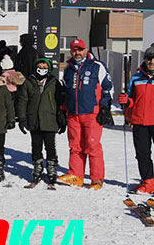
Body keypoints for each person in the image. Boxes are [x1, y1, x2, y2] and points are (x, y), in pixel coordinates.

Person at [58, 39, 112, 189]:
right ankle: (76, 175)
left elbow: (108, 86)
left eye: (80, 49)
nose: (77, 52)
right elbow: (65, 91)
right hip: (73, 113)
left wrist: (105, 107)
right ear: (71, 51)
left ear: (85, 49)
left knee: (92, 145)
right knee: (75, 145)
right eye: (74, 50)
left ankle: (96, 179)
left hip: (91, 112)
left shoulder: (96, 66)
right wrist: (62, 109)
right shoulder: (68, 69)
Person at [17, 58, 65, 188]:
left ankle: (51, 169)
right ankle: (37, 168)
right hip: (34, 120)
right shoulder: (29, 82)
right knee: (36, 145)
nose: (42, 69)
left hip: (50, 119)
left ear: (48, 69)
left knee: (50, 146)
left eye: (44, 67)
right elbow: (22, 101)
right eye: (39, 67)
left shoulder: (54, 83)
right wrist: (22, 118)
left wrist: (61, 116)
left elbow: (60, 100)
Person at [120, 47, 154, 195]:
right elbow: (131, 99)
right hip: (140, 121)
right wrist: (126, 101)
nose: (151, 62)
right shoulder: (136, 78)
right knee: (142, 153)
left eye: (153, 59)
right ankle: (148, 182)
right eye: (148, 58)